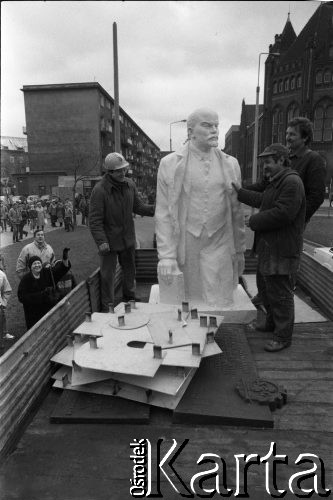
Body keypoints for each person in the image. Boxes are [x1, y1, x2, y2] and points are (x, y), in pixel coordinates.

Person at [155, 107, 246, 307]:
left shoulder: (231, 164)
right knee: (190, 302)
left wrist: (239, 250)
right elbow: (163, 213)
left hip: (220, 238)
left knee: (220, 302)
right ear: (190, 132)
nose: (214, 130)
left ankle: (218, 335)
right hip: (189, 240)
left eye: (216, 125)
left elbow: (236, 212)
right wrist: (166, 257)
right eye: (206, 125)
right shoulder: (169, 164)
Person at [233, 144, 306, 352]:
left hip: (282, 250)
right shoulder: (277, 182)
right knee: (268, 289)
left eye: (268, 162)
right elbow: (262, 200)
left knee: (281, 294)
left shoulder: (292, 182)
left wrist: (254, 220)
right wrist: (240, 192)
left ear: (282, 160)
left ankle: (283, 337)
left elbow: (284, 213)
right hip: (270, 248)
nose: (264, 166)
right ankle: (271, 324)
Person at [251, 117, 327, 306]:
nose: (287, 137)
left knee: (284, 264)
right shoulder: (285, 159)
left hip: (290, 222)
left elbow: (316, 196)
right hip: (273, 220)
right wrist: (238, 189)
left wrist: (299, 220)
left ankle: (281, 304)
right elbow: (263, 185)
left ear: (305, 137)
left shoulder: (313, 160)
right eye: (287, 133)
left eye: (292, 134)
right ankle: (265, 297)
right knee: (266, 258)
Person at [89, 152, 155, 311]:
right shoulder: (100, 190)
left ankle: (129, 296)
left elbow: (138, 207)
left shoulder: (129, 184)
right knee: (108, 276)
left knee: (130, 269)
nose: (123, 173)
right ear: (109, 172)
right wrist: (102, 242)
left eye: (124, 169)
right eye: (119, 171)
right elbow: (95, 221)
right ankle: (108, 306)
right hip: (109, 242)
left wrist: (155, 209)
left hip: (127, 238)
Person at [18, 248, 71, 330]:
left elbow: (61, 270)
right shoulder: (26, 279)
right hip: (34, 314)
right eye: (34, 264)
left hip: (48, 310)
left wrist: (65, 258)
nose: (37, 265)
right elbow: (22, 297)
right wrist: (41, 295)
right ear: (30, 267)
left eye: (39, 263)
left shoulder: (46, 272)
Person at [0, 257, 13, 339]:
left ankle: (4, 333)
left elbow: (7, 290)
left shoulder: (1, 275)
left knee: (2, 318)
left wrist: (3, 303)